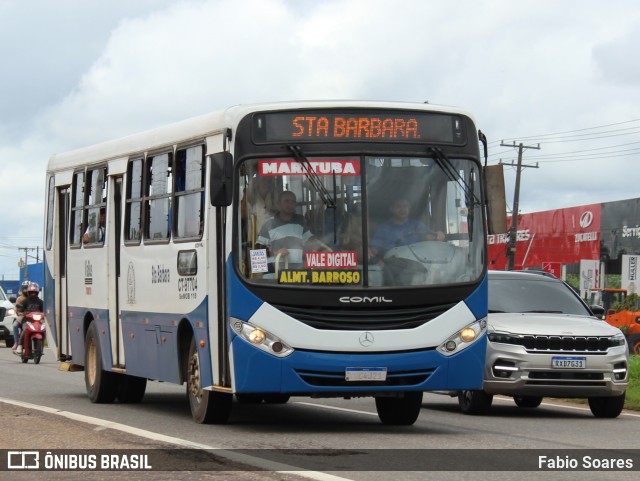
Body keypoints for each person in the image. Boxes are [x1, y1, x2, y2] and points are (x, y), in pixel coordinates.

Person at [256, 191, 324, 270]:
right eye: (286, 201)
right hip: (273, 278)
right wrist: (275, 252)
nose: (290, 204)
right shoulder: (268, 225)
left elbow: (311, 242)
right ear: (278, 204)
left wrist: (321, 250)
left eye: (293, 202)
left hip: (296, 277)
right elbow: (257, 255)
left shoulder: (301, 223)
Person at [369, 197, 445, 259]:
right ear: (391, 209)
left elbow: (431, 236)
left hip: (417, 264)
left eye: (405, 206)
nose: (402, 209)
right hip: (392, 265)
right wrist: (370, 251)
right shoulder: (383, 229)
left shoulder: (416, 225)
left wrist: (438, 235)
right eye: (398, 206)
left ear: (409, 208)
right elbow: (375, 249)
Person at [15, 282, 44, 354]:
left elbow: (44, 310)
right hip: (27, 320)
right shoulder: (25, 301)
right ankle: (20, 345)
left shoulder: (40, 302)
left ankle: (41, 348)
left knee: (44, 329)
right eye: (31, 292)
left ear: (37, 293)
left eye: (34, 292)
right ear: (28, 292)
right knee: (25, 329)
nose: (33, 294)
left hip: (37, 321)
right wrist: (20, 312)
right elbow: (19, 308)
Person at [12, 281, 30, 350]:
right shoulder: (19, 299)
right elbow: (16, 309)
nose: (26, 290)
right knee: (15, 325)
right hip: (21, 318)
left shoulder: (34, 298)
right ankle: (16, 342)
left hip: (31, 318)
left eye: (27, 288)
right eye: (24, 288)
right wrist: (19, 313)